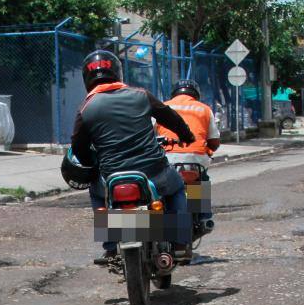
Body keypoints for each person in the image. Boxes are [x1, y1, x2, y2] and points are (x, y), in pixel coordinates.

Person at [70, 50, 196, 265]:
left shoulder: (86, 108)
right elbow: (171, 118)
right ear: (117, 72)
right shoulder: (141, 95)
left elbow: (79, 148)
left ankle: (110, 247)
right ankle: (181, 242)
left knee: (97, 195)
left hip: (112, 178)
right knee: (177, 189)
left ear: (86, 78)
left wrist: (93, 163)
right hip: (154, 173)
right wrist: (186, 136)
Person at [156, 78, 221, 233]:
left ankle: (159, 219)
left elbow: (150, 135)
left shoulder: (162, 106)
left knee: (160, 187)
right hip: (196, 160)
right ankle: (205, 217)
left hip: (168, 158)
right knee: (201, 179)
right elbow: (214, 142)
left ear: (174, 94)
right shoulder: (204, 109)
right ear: (196, 94)